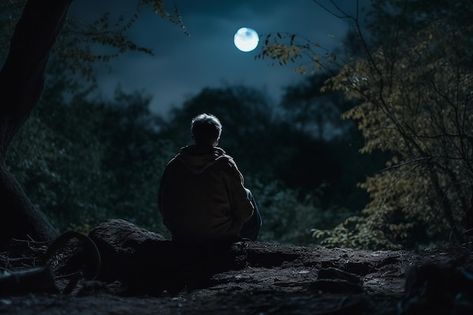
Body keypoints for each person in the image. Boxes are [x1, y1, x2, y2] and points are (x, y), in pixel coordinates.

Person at [158, 113, 262, 244]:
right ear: (217, 138)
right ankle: (247, 247)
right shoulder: (225, 165)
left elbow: (162, 204)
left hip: (182, 234)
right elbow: (244, 209)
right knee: (248, 194)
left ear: (193, 136)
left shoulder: (174, 166)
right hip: (220, 235)